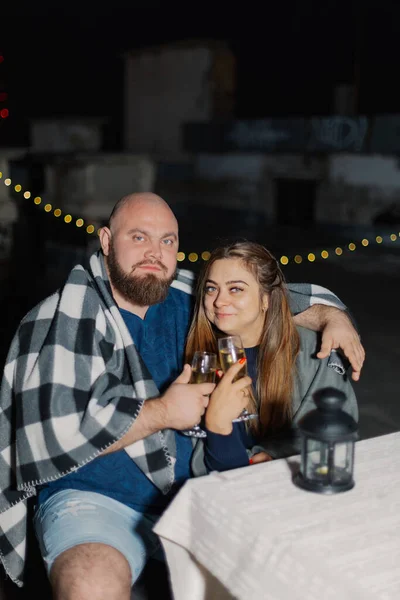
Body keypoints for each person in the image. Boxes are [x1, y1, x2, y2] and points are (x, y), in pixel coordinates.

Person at [0, 193, 364, 599]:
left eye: (167, 240)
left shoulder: (193, 299)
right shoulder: (61, 319)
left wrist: (333, 315)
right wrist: (162, 413)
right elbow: (47, 436)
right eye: (138, 237)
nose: (154, 253)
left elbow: (269, 299)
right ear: (105, 241)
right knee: (89, 583)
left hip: (197, 492)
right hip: (98, 503)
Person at [185, 241, 358, 472]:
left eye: (235, 288)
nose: (219, 301)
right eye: (211, 288)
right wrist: (218, 427)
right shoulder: (203, 360)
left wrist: (274, 454)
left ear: (266, 299)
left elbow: (334, 429)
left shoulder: (314, 350)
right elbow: (216, 466)